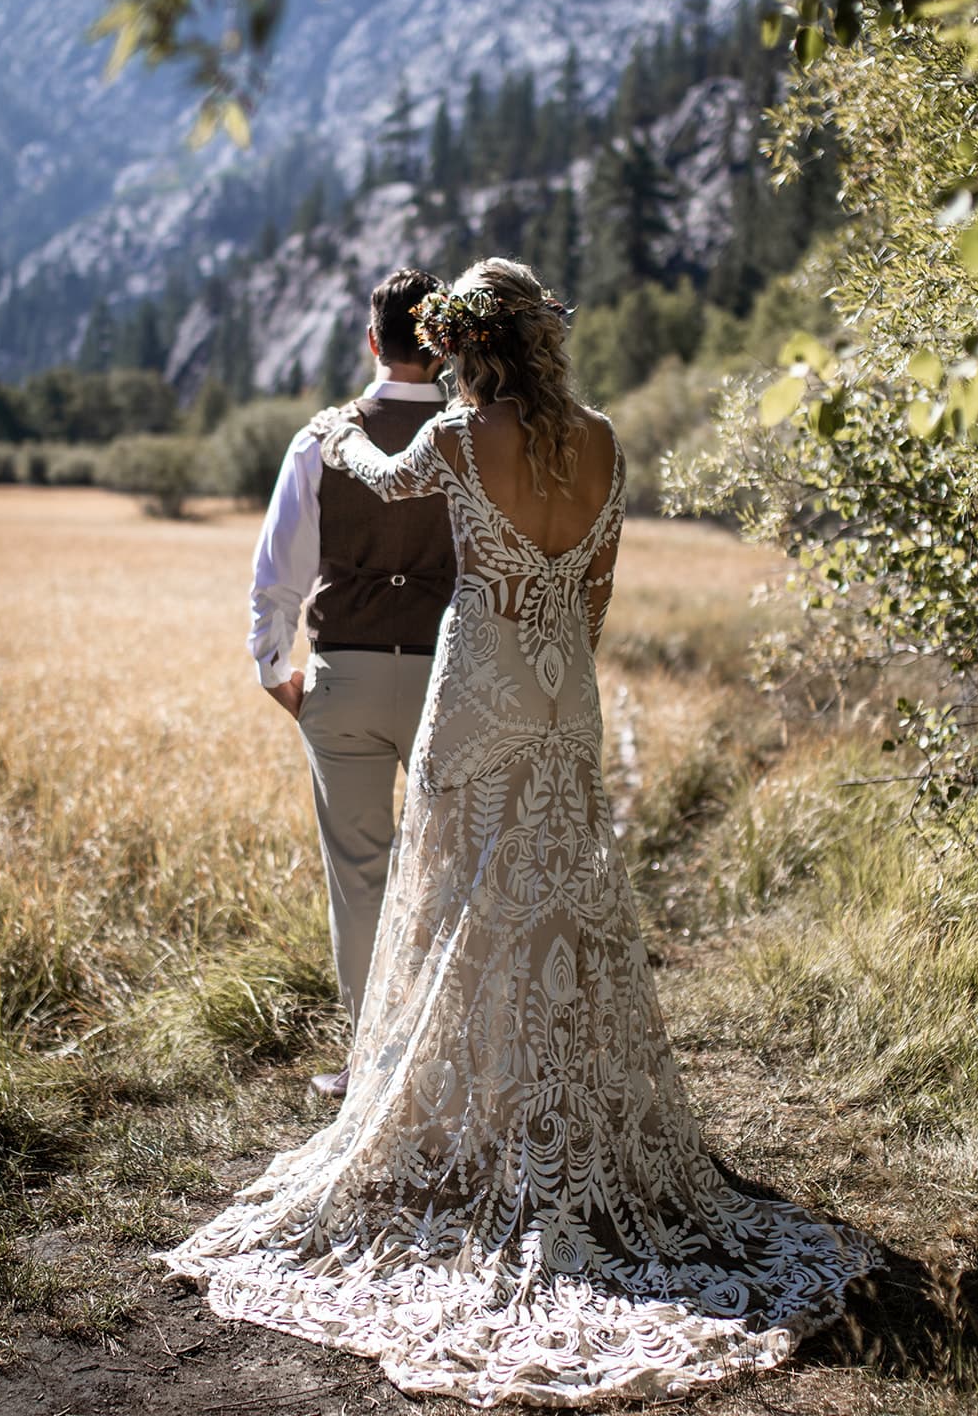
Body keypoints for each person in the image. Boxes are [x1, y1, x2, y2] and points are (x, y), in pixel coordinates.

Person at [167, 258, 879, 1405]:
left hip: (480, 683)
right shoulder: (599, 438)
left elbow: (382, 476)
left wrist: (334, 437)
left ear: (463, 344)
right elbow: (594, 586)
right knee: (558, 894)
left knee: (456, 895)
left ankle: (466, 1113)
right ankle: (556, 1101)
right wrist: (558, 655)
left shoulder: (453, 436)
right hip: (561, 692)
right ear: (542, 336)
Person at [248, 266, 455, 1097]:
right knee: (456, 869)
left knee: (360, 876)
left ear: (374, 342)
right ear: (442, 347)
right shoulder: (479, 438)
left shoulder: (324, 438)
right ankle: (453, 1055)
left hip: (345, 677)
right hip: (453, 677)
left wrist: (275, 671)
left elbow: (276, 570)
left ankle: (375, 1067)